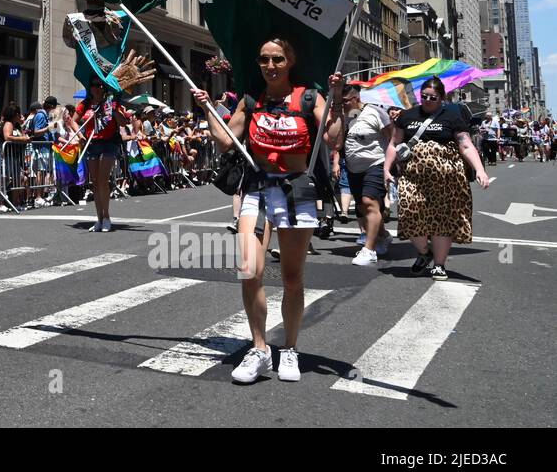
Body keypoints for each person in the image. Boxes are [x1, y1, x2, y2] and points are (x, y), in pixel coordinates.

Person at [193, 37, 345, 384]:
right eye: (264, 59)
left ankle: (289, 348)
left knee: (292, 278)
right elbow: (227, 141)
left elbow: (333, 138)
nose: (270, 66)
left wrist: (335, 103)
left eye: (277, 59)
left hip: (297, 193)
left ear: (290, 61)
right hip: (258, 190)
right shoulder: (251, 100)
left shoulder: (309, 97)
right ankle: (260, 348)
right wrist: (206, 110)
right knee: (249, 270)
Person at [383, 76, 489, 280]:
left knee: (442, 221)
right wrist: (386, 169)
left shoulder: (452, 115)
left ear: (441, 97)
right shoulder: (407, 116)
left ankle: (439, 264)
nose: (428, 100)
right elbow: (393, 144)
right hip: (413, 178)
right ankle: (424, 253)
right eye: (424, 96)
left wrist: (479, 170)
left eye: (433, 97)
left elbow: (465, 144)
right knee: (410, 214)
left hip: (447, 179)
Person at [339, 85, 394, 266]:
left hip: (375, 164)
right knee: (363, 208)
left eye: (345, 101)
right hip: (353, 167)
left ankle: (369, 250)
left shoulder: (375, 113)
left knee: (370, 202)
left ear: (355, 98)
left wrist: (390, 165)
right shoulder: (343, 116)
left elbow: (391, 137)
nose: (343, 104)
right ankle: (383, 235)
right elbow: (337, 142)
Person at [68, 78, 128, 231]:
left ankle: (107, 216)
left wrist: (113, 111)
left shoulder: (112, 103)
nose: (97, 88)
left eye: (100, 85)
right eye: (94, 85)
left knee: (103, 179)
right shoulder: (85, 104)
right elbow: (73, 121)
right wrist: (80, 135)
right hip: (91, 143)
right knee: (95, 181)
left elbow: (122, 123)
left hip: (109, 143)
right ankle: (99, 219)